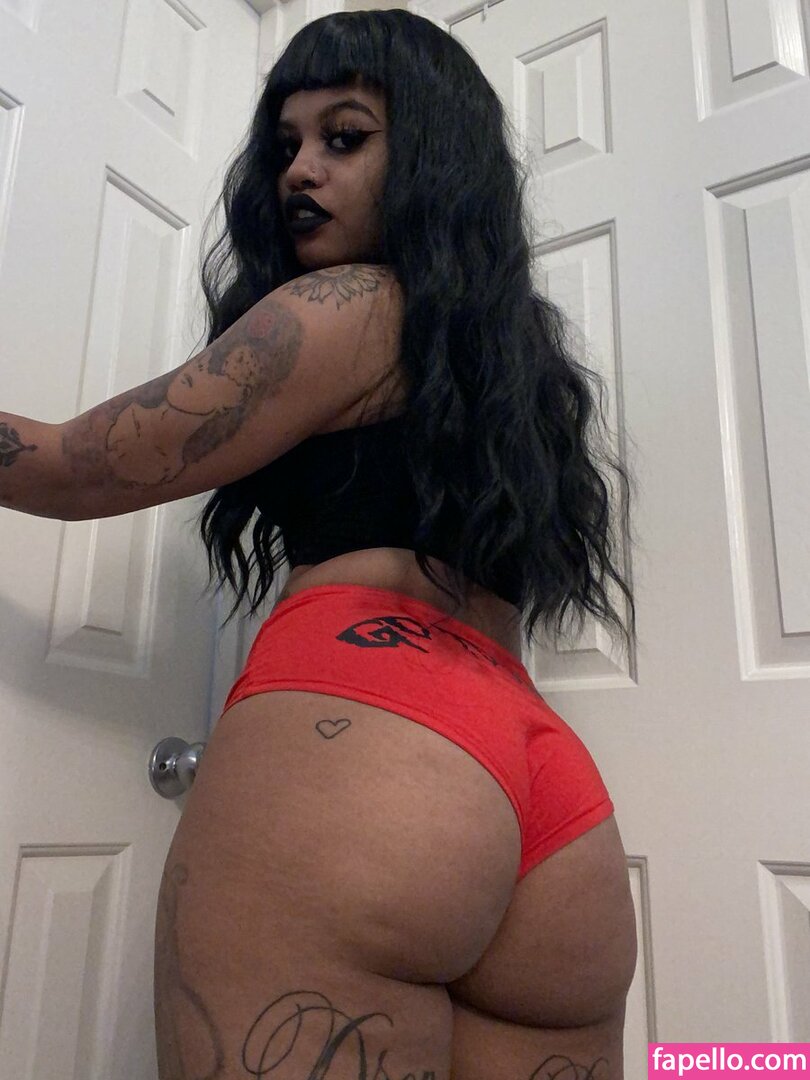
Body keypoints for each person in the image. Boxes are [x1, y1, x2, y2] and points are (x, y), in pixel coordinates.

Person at [2, 10, 639, 1079]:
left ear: (429, 153)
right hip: (551, 801)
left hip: (367, 752)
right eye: (287, 143)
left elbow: (76, 464)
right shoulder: (511, 359)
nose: (300, 169)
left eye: (345, 137)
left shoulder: (347, 308)